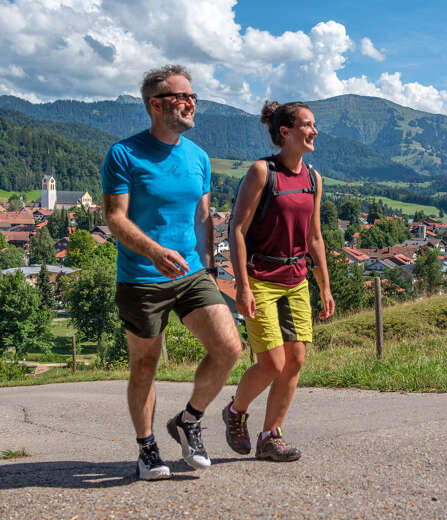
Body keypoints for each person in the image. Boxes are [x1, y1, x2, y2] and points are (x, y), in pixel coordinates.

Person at [101, 65, 242, 480]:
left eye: (192, 96)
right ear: (155, 104)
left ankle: (189, 420)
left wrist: (211, 267)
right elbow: (115, 218)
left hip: (192, 273)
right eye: (182, 97)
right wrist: (154, 251)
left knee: (229, 347)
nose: (191, 103)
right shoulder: (124, 154)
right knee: (144, 365)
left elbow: (202, 217)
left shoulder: (198, 156)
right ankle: (147, 448)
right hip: (141, 276)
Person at [223, 100, 335, 461]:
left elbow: (315, 237)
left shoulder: (313, 179)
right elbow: (236, 229)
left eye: (314, 124)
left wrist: (325, 285)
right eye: (307, 125)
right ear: (285, 132)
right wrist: (241, 286)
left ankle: (271, 436)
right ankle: (235, 412)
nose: (314, 131)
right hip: (261, 278)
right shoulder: (261, 172)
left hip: (297, 278)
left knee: (296, 359)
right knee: (271, 362)